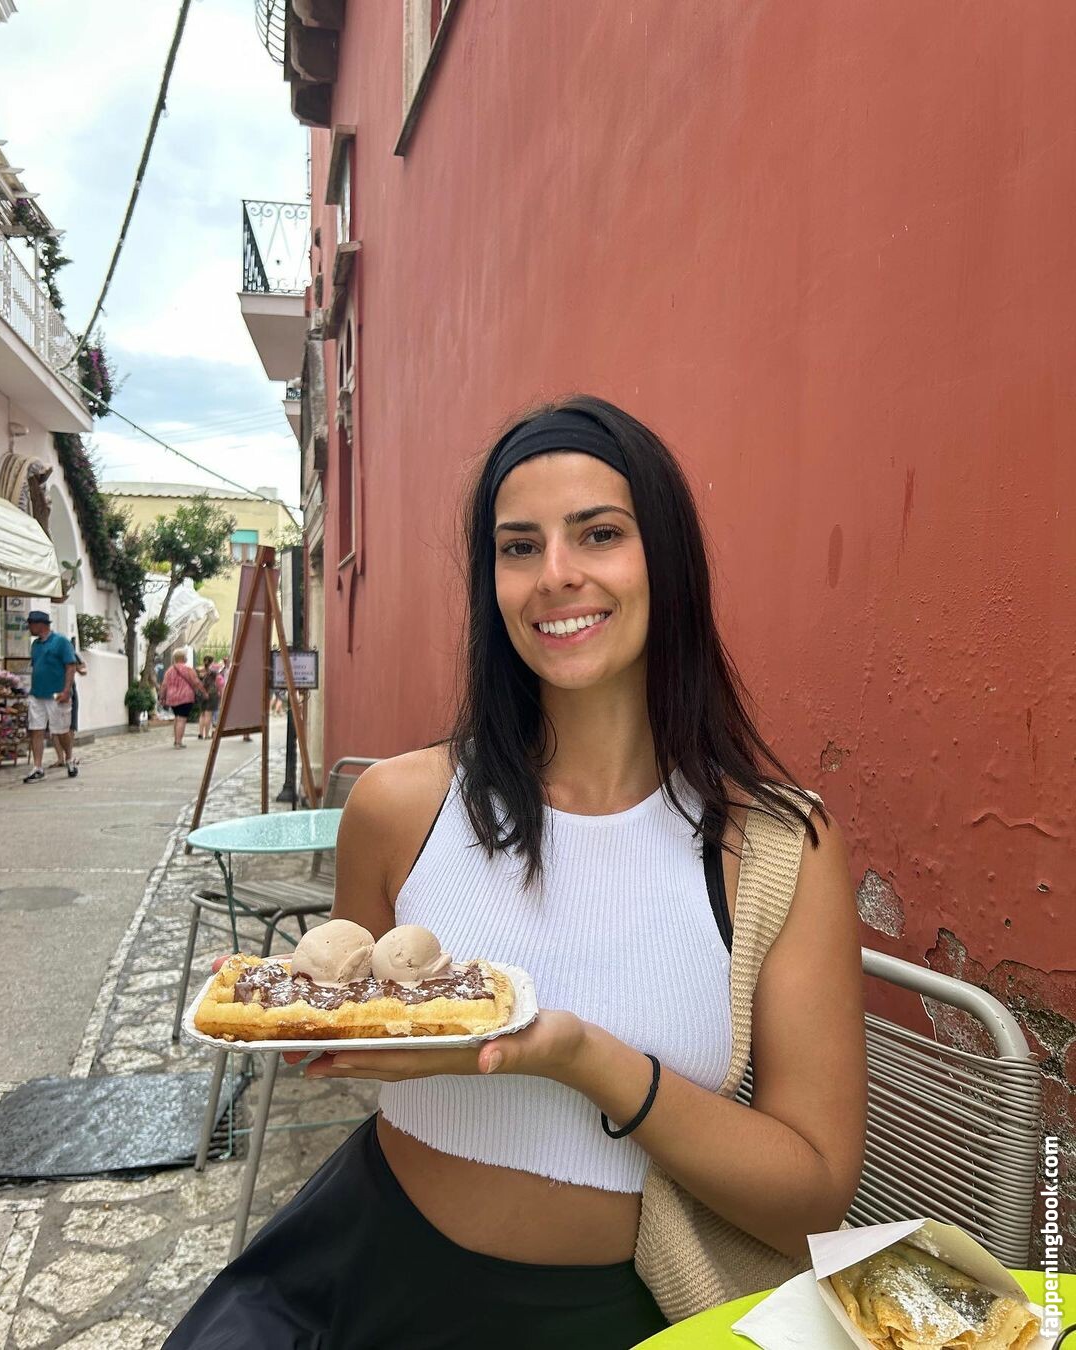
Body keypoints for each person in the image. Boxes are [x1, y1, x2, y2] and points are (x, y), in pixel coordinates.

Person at [165, 397, 867, 1349]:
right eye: (519, 547)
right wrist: (305, 1018)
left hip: (625, 1316)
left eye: (600, 534)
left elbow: (814, 1197)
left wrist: (580, 1059)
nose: (555, 575)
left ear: (668, 559)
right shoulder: (399, 807)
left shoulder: (779, 846)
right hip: (368, 1271)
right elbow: (366, 1034)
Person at [22, 610, 79, 782]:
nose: (29, 627)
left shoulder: (61, 642)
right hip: (37, 693)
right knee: (36, 729)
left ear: (40, 624)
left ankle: (69, 759)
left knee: (61, 730)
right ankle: (38, 767)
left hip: (56, 693)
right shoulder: (35, 645)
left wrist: (66, 691)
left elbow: (71, 666)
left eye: (31, 624)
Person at [159, 650, 206, 749]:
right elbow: (196, 682)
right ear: (184, 658)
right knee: (182, 719)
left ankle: (176, 740)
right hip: (185, 697)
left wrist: (162, 697)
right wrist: (204, 692)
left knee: (177, 718)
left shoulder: (170, 670)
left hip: (172, 697)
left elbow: (164, 685)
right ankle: (178, 742)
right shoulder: (188, 669)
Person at [54, 647, 87, 768]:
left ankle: (69, 756)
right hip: (52, 690)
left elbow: (83, 668)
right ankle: (60, 758)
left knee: (70, 725)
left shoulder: (70, 652)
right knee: (54, 725)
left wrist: (75, 668)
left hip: (69, 691)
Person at [198, 661, 221, 739]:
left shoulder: (202, 673)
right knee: (208, 715)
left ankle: (200, 733)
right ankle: (207, 735)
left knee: (202, 714)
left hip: (202, 694)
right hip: (212, 694)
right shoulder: (215, 675)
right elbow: (219, 686)